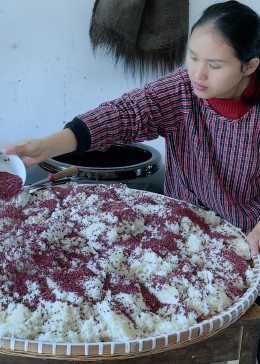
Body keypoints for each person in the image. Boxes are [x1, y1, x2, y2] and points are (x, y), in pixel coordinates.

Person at [4, 0, 260, 256]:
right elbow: (124, 114)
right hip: (180, 229)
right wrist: (45, 146)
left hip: (243, 239)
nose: (198, 74)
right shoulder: (182, 88)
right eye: (193, 57)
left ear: (250, 66)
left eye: (214, 66)